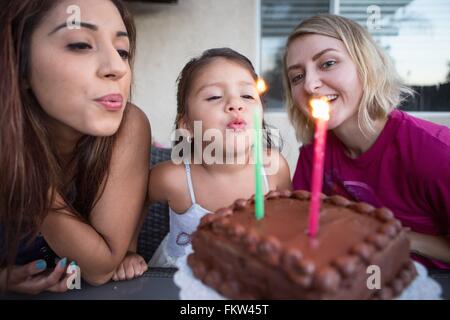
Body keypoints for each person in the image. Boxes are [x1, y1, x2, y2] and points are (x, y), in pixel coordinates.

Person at [0, 0, 150, 294]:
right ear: (18, 62)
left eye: (123, 51)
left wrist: (32, 183)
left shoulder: (127, 126)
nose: (117, 67)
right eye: (81, 44)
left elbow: (100, 267)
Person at [283, 14, 450, 268]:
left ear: (365, 65)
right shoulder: (313, 154)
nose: (310, 84)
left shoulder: (435, 153)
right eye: (296, 76)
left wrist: (393, 235)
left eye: (327, 63)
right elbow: (303, 230)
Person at [147, 48, 292, 267]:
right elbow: (133, 210)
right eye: (214, 96)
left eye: (247, 95)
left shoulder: (273, 169)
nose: (236, 104)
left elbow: (289, 225)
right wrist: (129, 252)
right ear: (186, 125)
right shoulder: (171, 178)